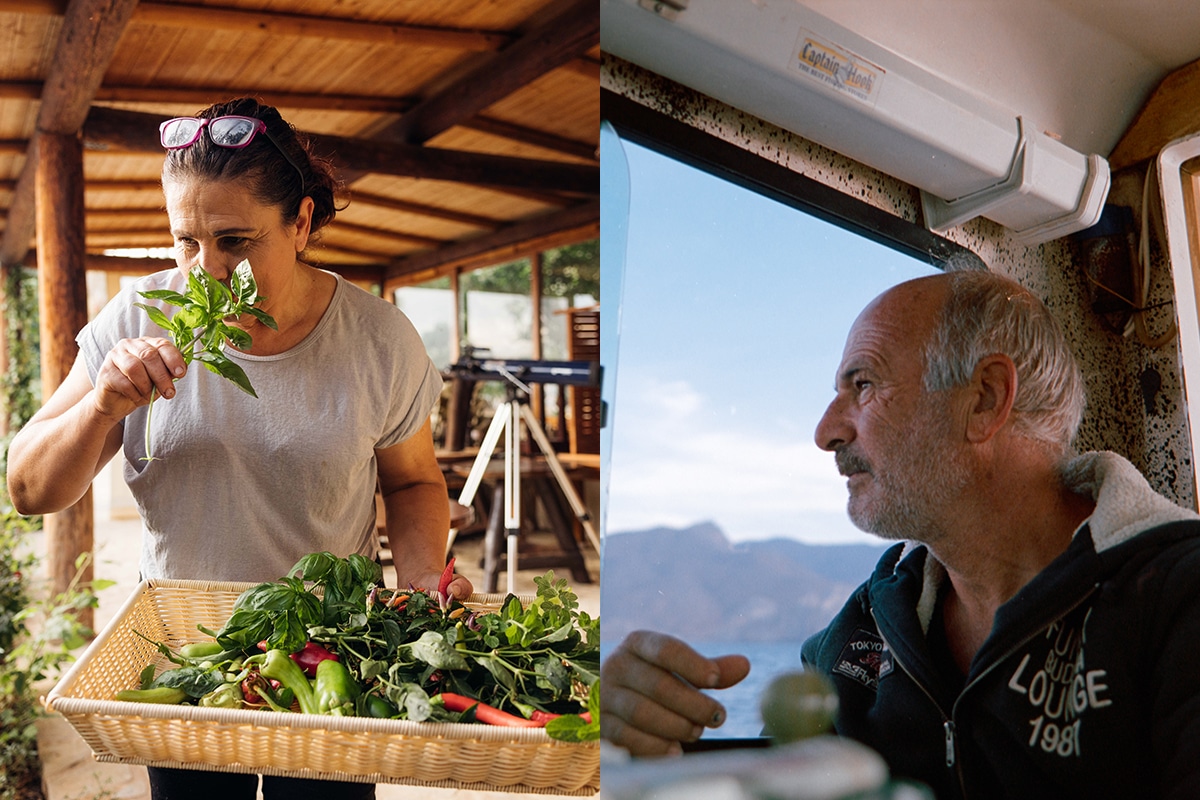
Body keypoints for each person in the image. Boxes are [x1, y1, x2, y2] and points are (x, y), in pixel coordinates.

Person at [6, 98, 473, 800]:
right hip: (189, 657)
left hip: (333, 656)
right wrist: (103, 405)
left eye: (235, 241)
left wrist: (418, 586)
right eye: (185, 241)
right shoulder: (135, 320)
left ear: (302, 223)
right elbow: (28, 490)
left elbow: (412, 485)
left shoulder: (379, 340)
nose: (207, 271)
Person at [600, 269, 1200, 799]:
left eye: (862, 385)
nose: (826, 431)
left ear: (985, 400)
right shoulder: (864, 629)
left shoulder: (1176, 601)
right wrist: (655, 760)